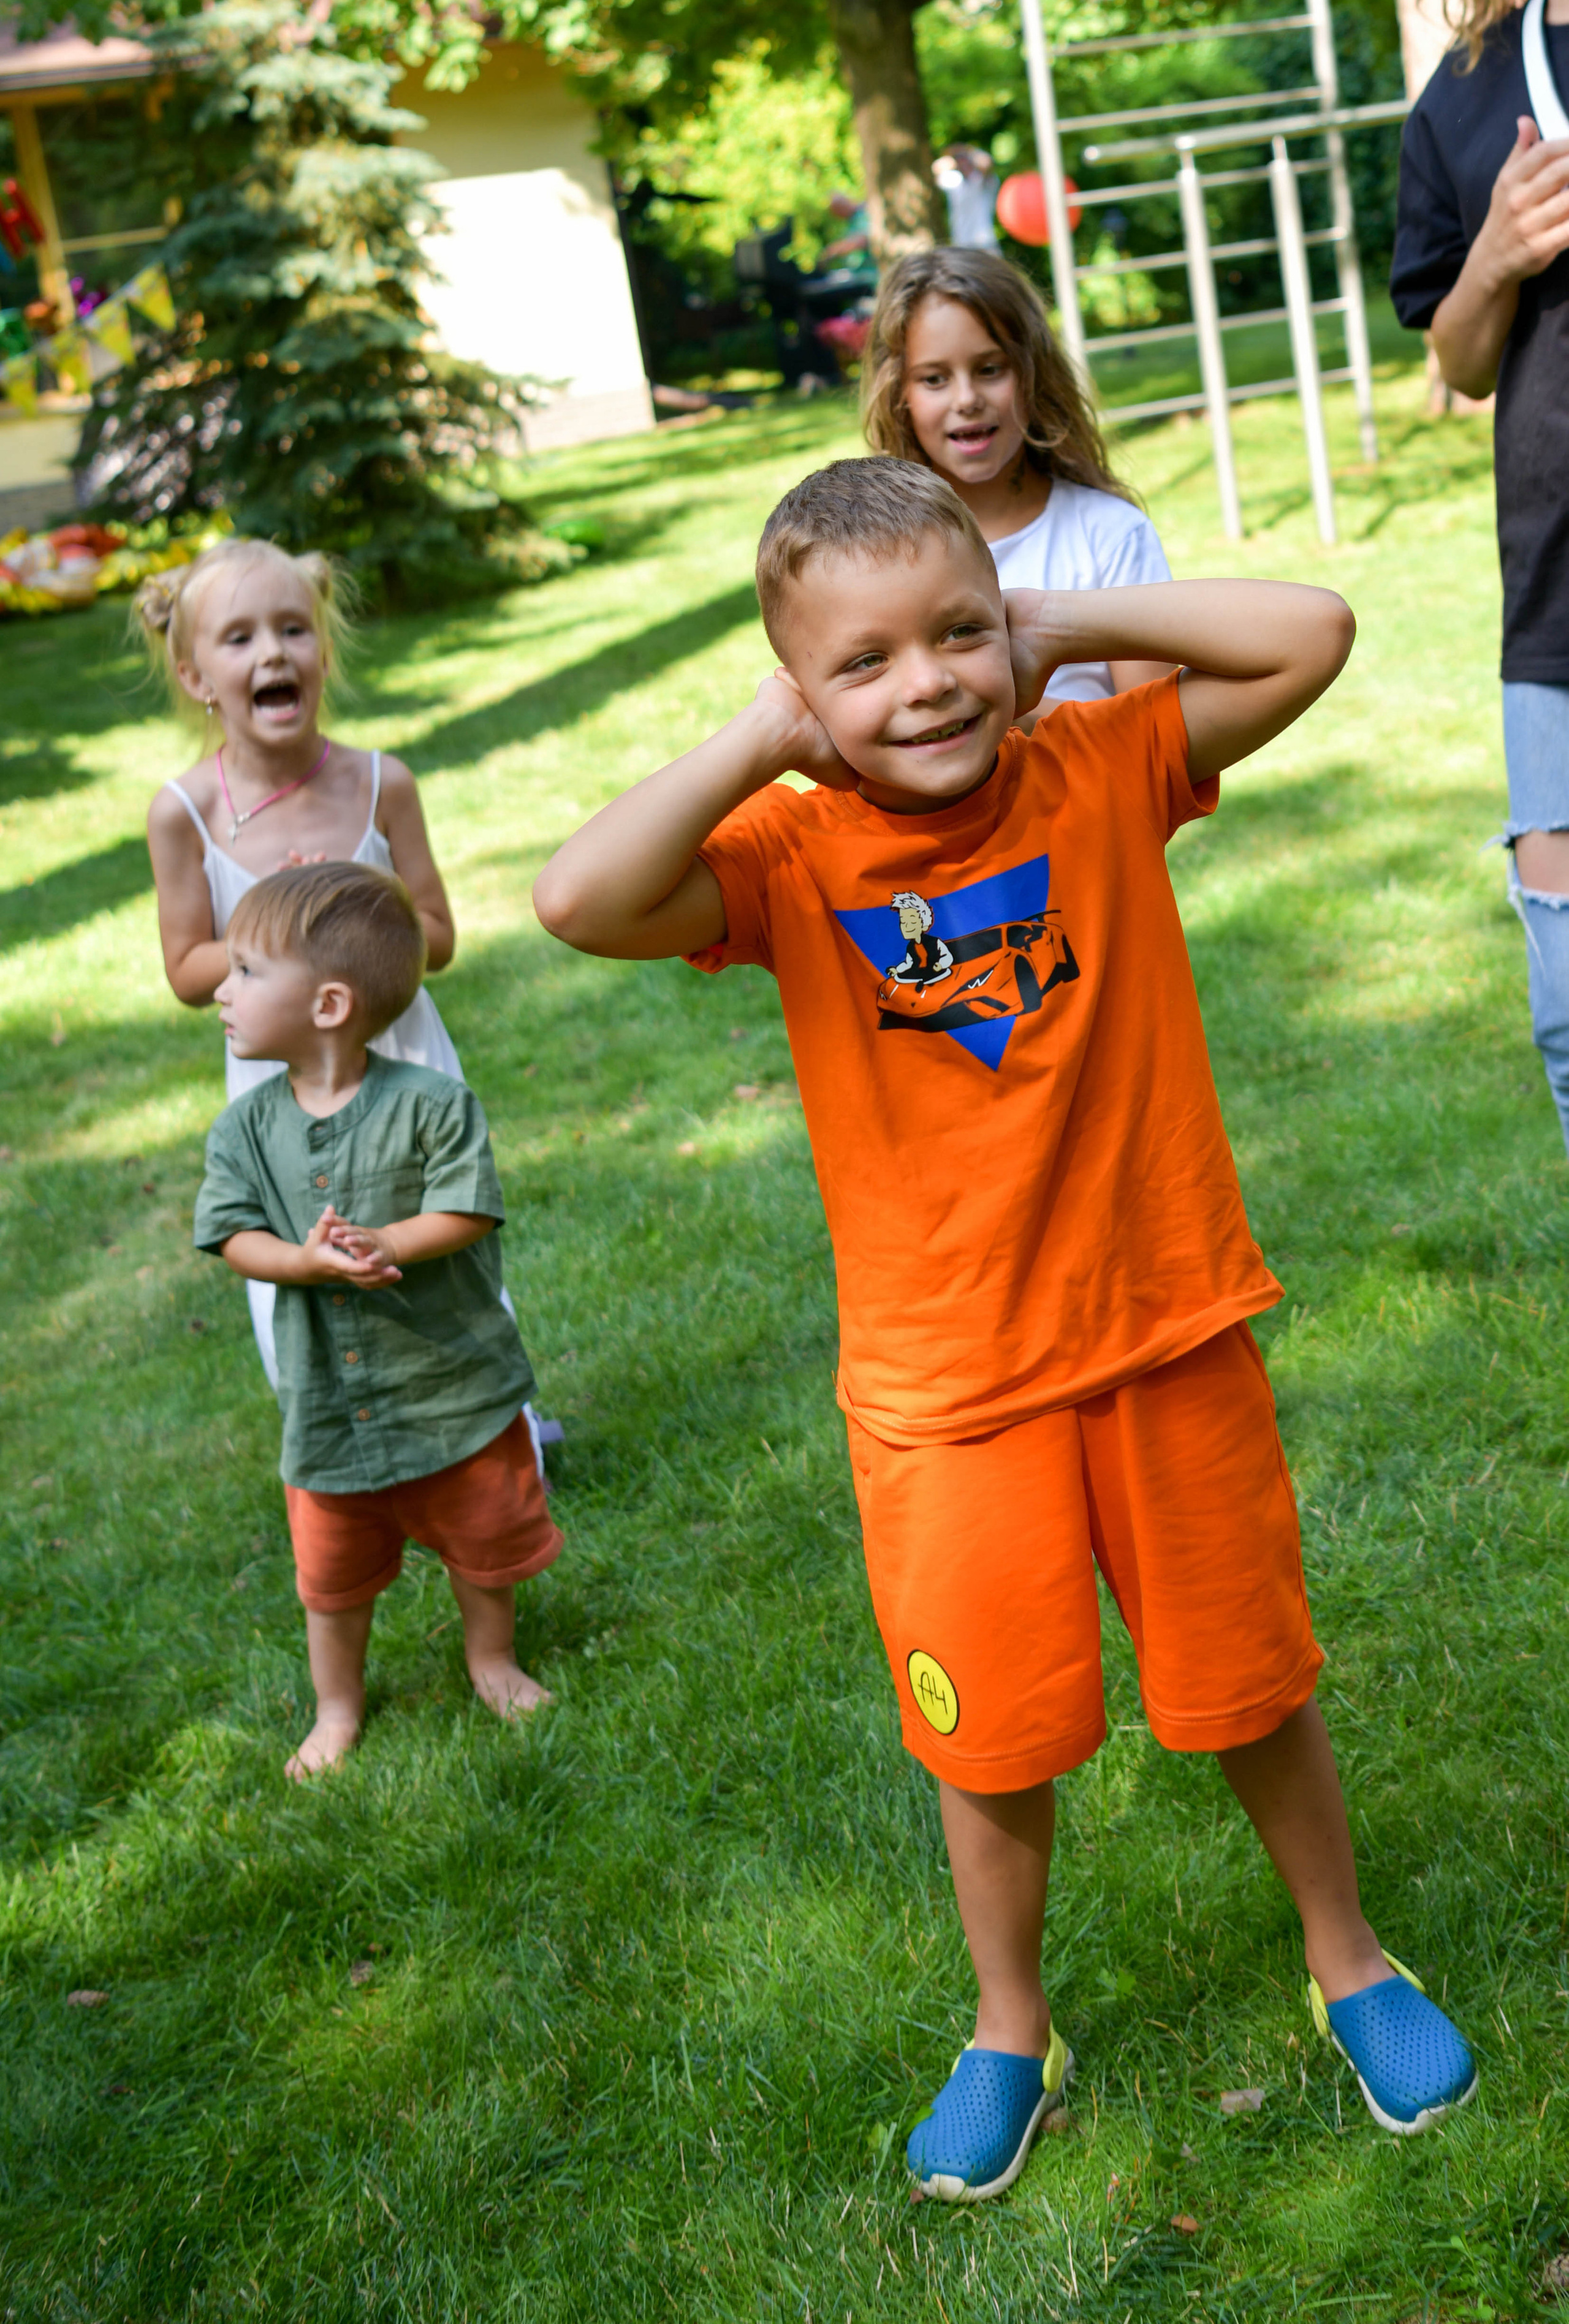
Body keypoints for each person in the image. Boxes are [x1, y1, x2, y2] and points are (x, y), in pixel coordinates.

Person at [531, 457, 1477, 2198]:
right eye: (869, 662)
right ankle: (1009, 2026)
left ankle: (1350, 1955)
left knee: (1254, 1683)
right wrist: (759, 744)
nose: (930, 685)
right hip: (947, 1398)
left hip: (1167, 1334)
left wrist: (1058, 624)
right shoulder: (791, 852)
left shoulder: (1099, 766)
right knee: (992, 1736)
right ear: (805, 690)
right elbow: (578, 900)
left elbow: (1314, 633)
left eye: (960, 634)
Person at [194, 863, 561, 1779]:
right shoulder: (243, 1129)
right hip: (331, 1403)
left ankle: (492, 1659)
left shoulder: (433, 1103)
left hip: (451, 1383)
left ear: (327, 1005)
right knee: (332, 1573)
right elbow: (233, 1235)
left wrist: (388, 1239)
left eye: (244, 972)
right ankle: (337, 1706)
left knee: (483, 1540)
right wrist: (305, 1261)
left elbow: (468, 1208)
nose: (219, 989)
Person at [140, 539, 464, 1388]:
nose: (274, 652)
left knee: (432, 1235)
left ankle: (490, 1425)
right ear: (196, 677)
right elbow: (184, 970)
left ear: (323, 653)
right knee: (306, 1250)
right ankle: (337, 1453)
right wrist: (273, 940)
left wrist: (362, 905)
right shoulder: (186, 814)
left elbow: (438, 932)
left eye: (293, 629)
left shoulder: (379, 784)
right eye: (239, 639)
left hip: (400, 1059)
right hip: (281, 1084)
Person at [1391, 0, 1569, 1146]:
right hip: (1556, 605)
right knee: (1568, 1014)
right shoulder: (1466, 89)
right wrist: (1497, 254)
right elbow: (1458, 360)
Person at [861, 247, 1171, 706]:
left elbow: (1160, 737)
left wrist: (998, 714)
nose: (966, 398)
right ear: (898, 394)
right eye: (934, 379)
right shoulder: (869, 554)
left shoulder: (1110, 536)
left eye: (990, 370)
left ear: (1033, 377)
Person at [933, 145, 1001, 252]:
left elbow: (986, 162)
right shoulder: (955, 182)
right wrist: (951, 155)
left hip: (985, 243)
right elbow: (936, 168)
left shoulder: (984, 181)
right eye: (959, 161)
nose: (963, 164)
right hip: (962, 244)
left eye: (965, 160)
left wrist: (969, 150)